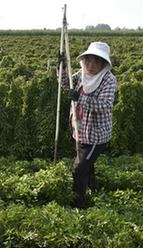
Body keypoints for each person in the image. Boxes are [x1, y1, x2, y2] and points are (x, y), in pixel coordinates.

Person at [60, 42, 117, 209]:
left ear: (103, 64)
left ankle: (78, 205)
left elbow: (104, 105)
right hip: (79, 129)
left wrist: (80, 98)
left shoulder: (108, 80)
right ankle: (93, 188)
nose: (91, 66)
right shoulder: (82, 74)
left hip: (95, 135)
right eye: (88, 61)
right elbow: (66, 83)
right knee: (87, 164)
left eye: (96, 62)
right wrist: (62, 67)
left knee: (79, 168)